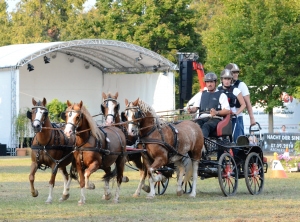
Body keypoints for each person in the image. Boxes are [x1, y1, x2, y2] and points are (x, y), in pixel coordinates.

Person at [188, 72, 230, 138]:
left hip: (215, 118)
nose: (209, 84)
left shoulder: (221, 95)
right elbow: (195, 108)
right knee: (193, 125)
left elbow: (227, 111)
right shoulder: (201, 94)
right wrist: (191, 110)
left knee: (206, 126)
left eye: (211, 82)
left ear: (215, 83)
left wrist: (217, 112)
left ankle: (203, 146)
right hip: (202, 118)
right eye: (207, 82)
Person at [225, 63, 256, 138]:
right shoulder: (221, 86)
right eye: (233, 72)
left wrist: (252, 118)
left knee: (237, 141)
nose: (236, 74)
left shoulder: (241, 85)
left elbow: (248, 103)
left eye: (237, 72)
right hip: (224, 117)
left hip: (237, 117)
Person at [217, 69, 246, 143]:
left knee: (235, 139)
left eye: (229, 79)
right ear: (222, 80)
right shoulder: (218, 90)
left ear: (231, 80)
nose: (227, 81)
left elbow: (243, 104)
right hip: (221, 117)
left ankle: (236, 153)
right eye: (225, 79)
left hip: (233, 118)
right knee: (220, 139)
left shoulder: (236, 90)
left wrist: (237, 113)